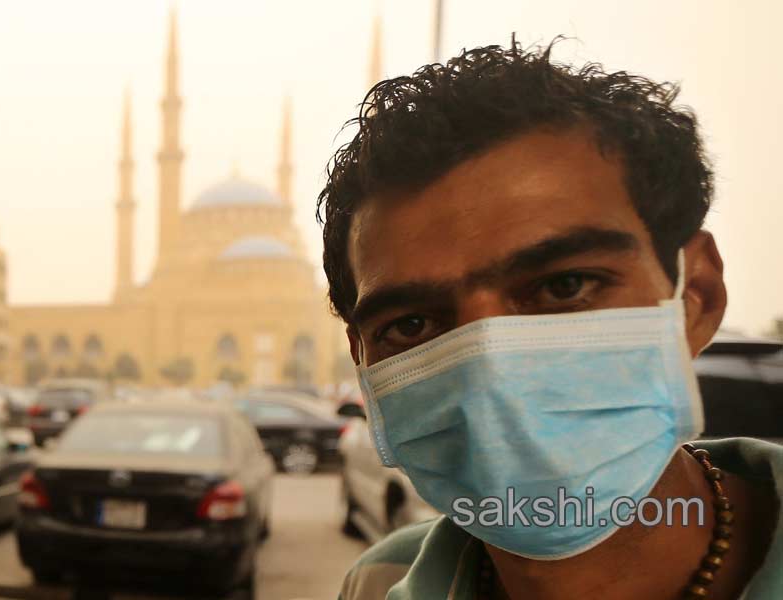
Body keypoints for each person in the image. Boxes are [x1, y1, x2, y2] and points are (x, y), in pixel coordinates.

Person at [317, 39, 782, 600]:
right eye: (412, 326)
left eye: (563, 287)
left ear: (696, 297)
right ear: (362, 359)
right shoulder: (378, 582)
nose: (492, 376)